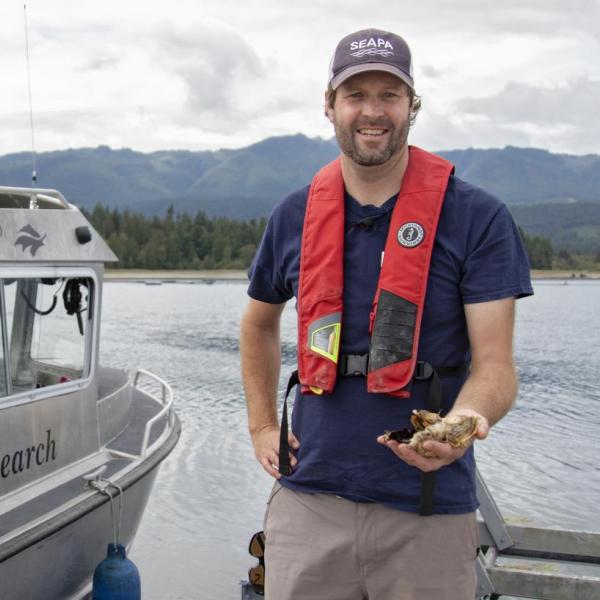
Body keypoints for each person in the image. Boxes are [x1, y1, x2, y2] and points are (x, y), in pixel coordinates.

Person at [240, 27, 533, 600]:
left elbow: (496, 369)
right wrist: (261, 426)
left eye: (389, 95)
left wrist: (462, 425)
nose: (372, 112)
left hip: (427, 511)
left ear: (412, 106)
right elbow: (257, 322)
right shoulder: (293, 214)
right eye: (356, 95)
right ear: (330, 107)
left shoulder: (478, 216)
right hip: (308, 501)